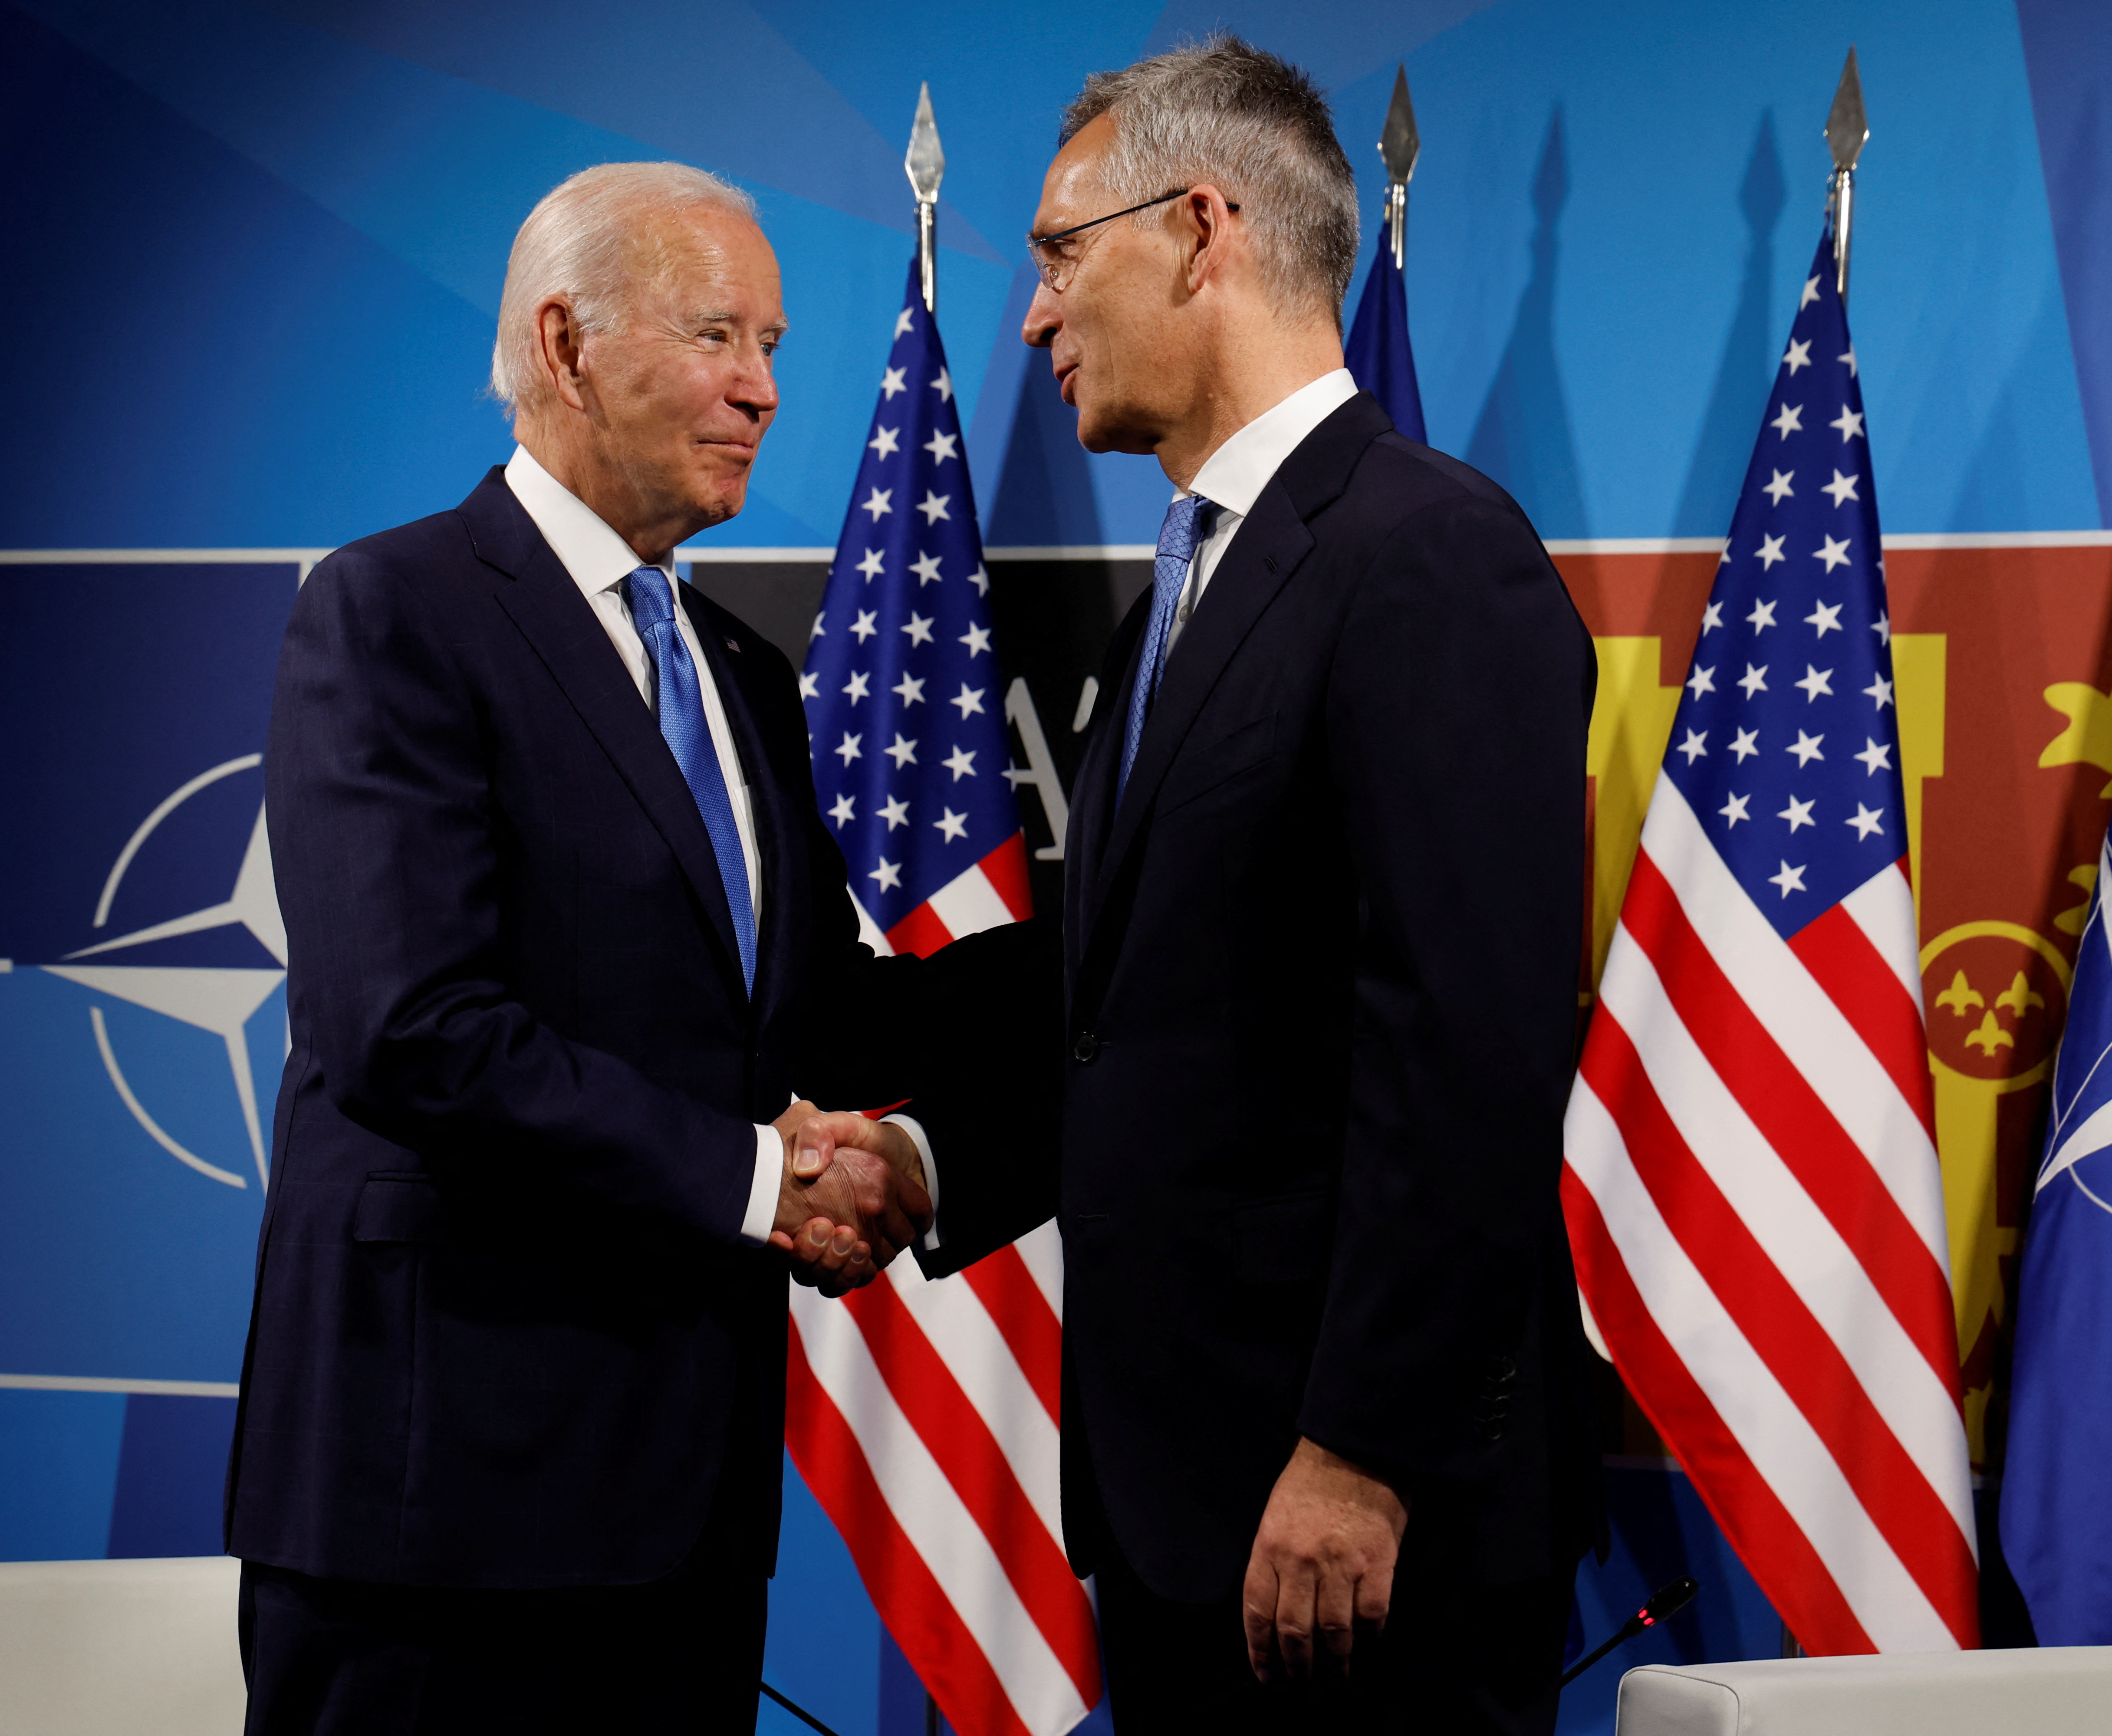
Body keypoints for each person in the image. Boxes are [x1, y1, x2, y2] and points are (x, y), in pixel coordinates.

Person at [808, 36, 1605, 1733]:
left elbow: (1467, 1043)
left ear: (1199, 226)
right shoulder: (1198, 589)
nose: (1032, 318)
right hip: (1190, 1521)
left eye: (1057, 253)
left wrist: (1362, 1456)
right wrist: (925, 1157)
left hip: (1357, 1534)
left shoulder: (1424, 558)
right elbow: (1141, 1006)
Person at [227, 161, 930, 1735]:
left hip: (679, 1518)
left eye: (772, 345)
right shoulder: (393, 610)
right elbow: (412, 1028)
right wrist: (767, 1184)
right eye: (716, 336)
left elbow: (815, 1022)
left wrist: (1122, 955)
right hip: (436, 1524)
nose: (761, 390)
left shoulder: (742, 669)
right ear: (565, 345)